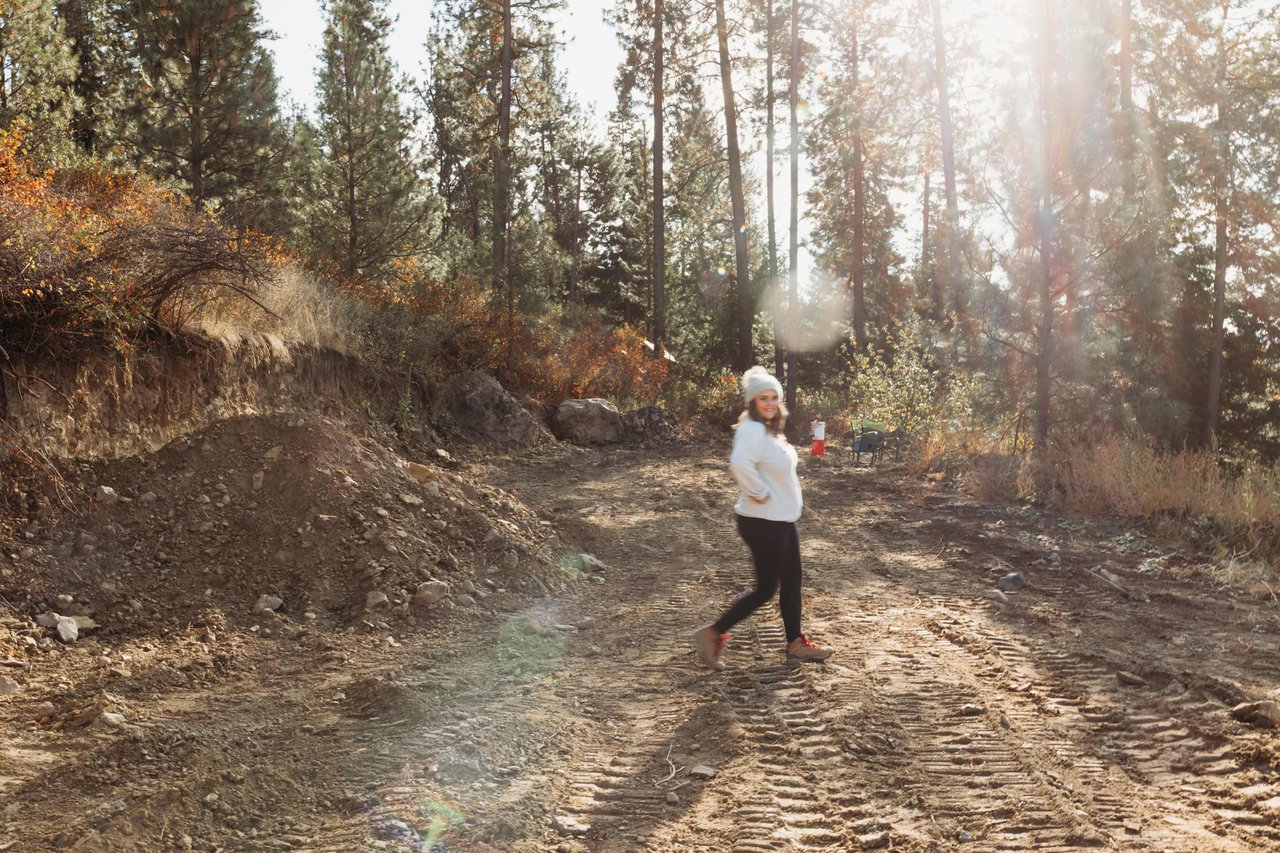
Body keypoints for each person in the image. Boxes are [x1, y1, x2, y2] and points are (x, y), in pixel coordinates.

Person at [693, 366, 833, 670]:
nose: (769, 403)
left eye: (773, 397)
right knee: (788, 582)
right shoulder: (753, 429)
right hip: (765, 522)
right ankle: (795, 643)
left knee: (768, 588)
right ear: (752, 402)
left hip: (775, 520)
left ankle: (712, 633)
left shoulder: (769, 430)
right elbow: (739, 464)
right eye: (762, 398)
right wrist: (758, 493)